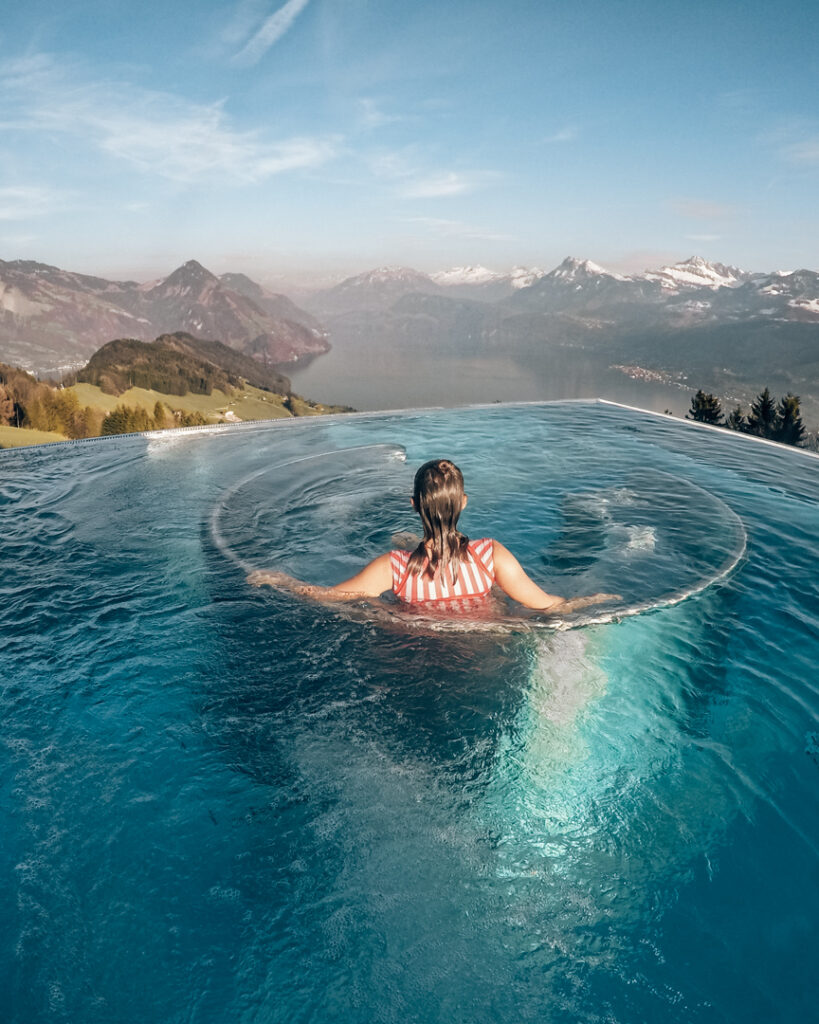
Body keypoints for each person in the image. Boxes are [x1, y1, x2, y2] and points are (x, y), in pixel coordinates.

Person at [248, 458, 618, 614]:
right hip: (481, 659)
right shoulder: (492, 556)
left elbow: (327, 597)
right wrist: (595, 600)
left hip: (416, 659)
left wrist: (279, 580)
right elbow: (548, 605)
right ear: (464, 503)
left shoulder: (393, 570)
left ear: (413, 505)